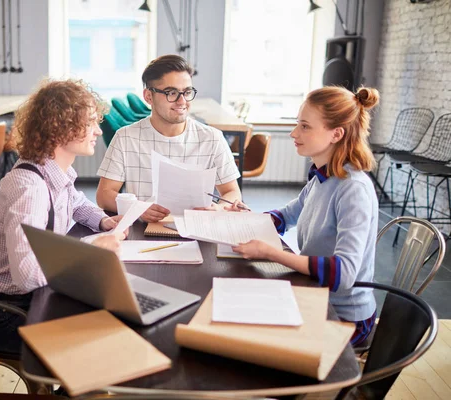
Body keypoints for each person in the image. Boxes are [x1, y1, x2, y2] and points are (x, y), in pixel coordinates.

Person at [0, 79, 124, 354]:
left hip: (32, 300)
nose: (98, 130)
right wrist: (93, 249)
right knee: (102, 338)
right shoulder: (29, 188)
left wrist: (104, 221)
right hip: (7, 315)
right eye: (90, 122)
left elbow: (76, 203)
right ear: (60, 129)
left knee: (108, 316)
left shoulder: (53, 171)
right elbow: (28, 276)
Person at [231, 86, 380, 346]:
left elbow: (343, 274)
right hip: (317, 298)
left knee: (252, 335)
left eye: (304, 127)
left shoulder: (353, 188)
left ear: (336, 134)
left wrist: (271, 253)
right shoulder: (322, 175)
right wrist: (245, 219)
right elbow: (287, 215)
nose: (294, 133)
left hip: (345, 318)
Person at [96, 54, 242, 222]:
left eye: (187, 92)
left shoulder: (212, 138)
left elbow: (232, 192)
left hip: (196, 230)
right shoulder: (125, 137)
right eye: (171, 92)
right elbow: (104, 195)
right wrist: (138, 208)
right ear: (148, 96)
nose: (182, 101)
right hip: (143, 231)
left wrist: (218, 208)